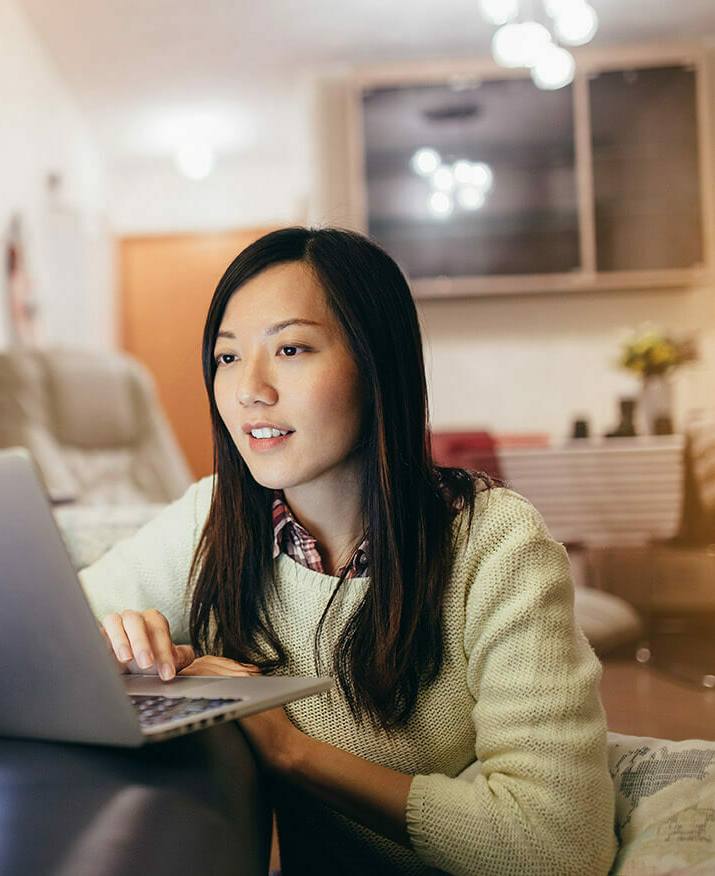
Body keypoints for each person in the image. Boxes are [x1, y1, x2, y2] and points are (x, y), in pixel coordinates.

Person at [78, 227, 616, 874]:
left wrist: (284, 746)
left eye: (291, 348)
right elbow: (44, 635)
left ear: (375, 362)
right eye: (226, 358)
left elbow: (558, 847)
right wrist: (117, 646)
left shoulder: (495, 545)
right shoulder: (213, 518)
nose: (249, 387)